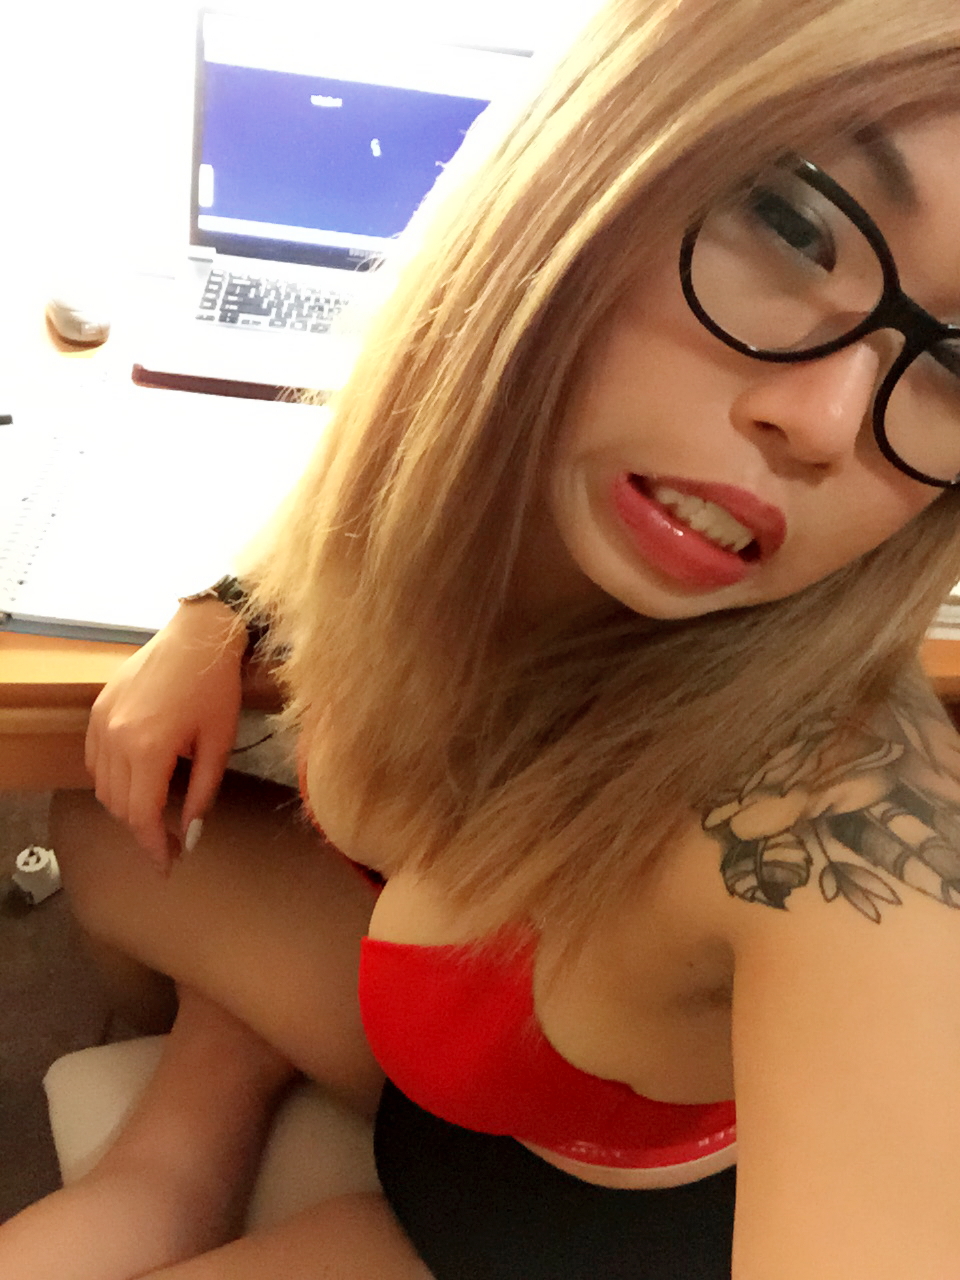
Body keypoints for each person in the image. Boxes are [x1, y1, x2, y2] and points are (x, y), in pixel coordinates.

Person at [4, 0, 960, 1275]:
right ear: (598, 143)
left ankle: (185, 1138)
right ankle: (189, 1130)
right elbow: (364, 508)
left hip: (550, 1240)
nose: (828, 418)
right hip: (454, 1081)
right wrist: (214, 614)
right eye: (793, 224)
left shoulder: (836, 822)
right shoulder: (482, 500)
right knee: (108, 826)